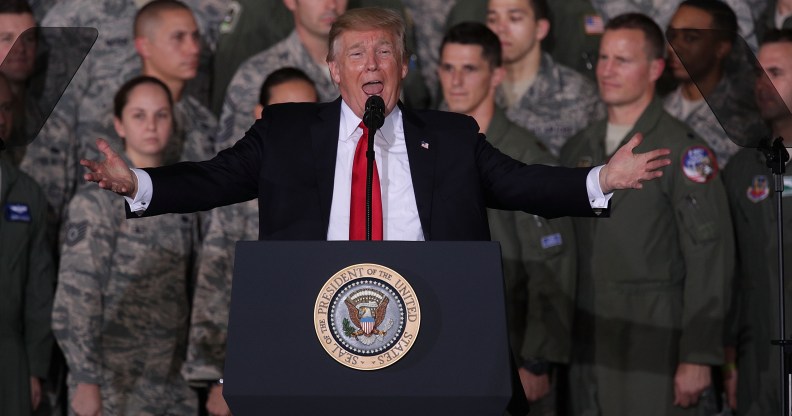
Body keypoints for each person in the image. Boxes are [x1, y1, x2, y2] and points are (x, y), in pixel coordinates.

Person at [82, 6, 668, 251]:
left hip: (430, 320)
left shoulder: (452, 136)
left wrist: (601, 179)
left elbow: (523, 184)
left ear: (404, 67)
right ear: (332, 69)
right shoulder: (285, 133)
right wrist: (138, 183)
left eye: (383, 53)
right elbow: (214, 179)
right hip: (316, 320)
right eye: (356, 55)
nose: (370, 65)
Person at [559, 13, 734, 415]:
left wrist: (699, 354)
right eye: (603, 58)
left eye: (623, 60)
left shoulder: (682, 151)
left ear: (656, 68)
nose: (607, 70)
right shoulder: (578, 148)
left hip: (655, 339)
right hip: (589, 336)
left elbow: (710, 258)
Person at [437, 21, 577, 414]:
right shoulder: (426, 148)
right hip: (444, 342)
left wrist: (536, 356)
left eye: (470, 69)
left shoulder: (525, 156)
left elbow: (550, 265)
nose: (457, 81)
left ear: (496, 74)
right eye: (448, 68)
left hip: (512, 346)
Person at [52, 76, 199, 416]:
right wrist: (86, 378)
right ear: (119, 123)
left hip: (169, 380)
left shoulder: (185, 193)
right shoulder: (97, 202)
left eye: (161, 115)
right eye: (139, 115)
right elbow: (77, 294)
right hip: (110, 381)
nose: (151, 126)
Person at [182, 66, 320, 416]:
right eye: (288, 110)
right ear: (261, 115)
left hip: (323, 362)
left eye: (310, 109)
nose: (299, 121)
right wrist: (218, 377)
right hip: (254, 366)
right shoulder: (241, 188)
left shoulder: (338, 183)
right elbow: (215, 286)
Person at [721, 28, 792, 416]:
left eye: (776, 72)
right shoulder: (743, 167)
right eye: (759, 73)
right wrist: (730, 364)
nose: (762, 84)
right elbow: (729, 274)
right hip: (757, 362)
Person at [215, 0, 347, 152]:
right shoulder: (256, 74)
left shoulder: (368, 66)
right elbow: (234, 165)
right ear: (291, 2)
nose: (331, 4)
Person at [0, 71, 55, 416]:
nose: (0, 119)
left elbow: (40, 289)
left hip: (9, 359)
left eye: (5, 108)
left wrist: (35, 367)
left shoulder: (26, 192)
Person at [486, 0, 606, 156]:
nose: (500, 29)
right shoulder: (469, 87)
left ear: (540, 29)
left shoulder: (580, 94)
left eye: (514, 18)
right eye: (492, 20)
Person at [664, 0, 763, 167]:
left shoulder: (747, 118)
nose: (674, 48)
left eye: (690, 38)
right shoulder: (657, 108)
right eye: (672, 36)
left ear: (721, 48)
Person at [134, 0, 217, 164]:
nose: (194, 49)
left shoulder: (204, 119)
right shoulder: (121, 117)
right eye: (178, 38)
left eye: (195, 36)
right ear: (144, 46)